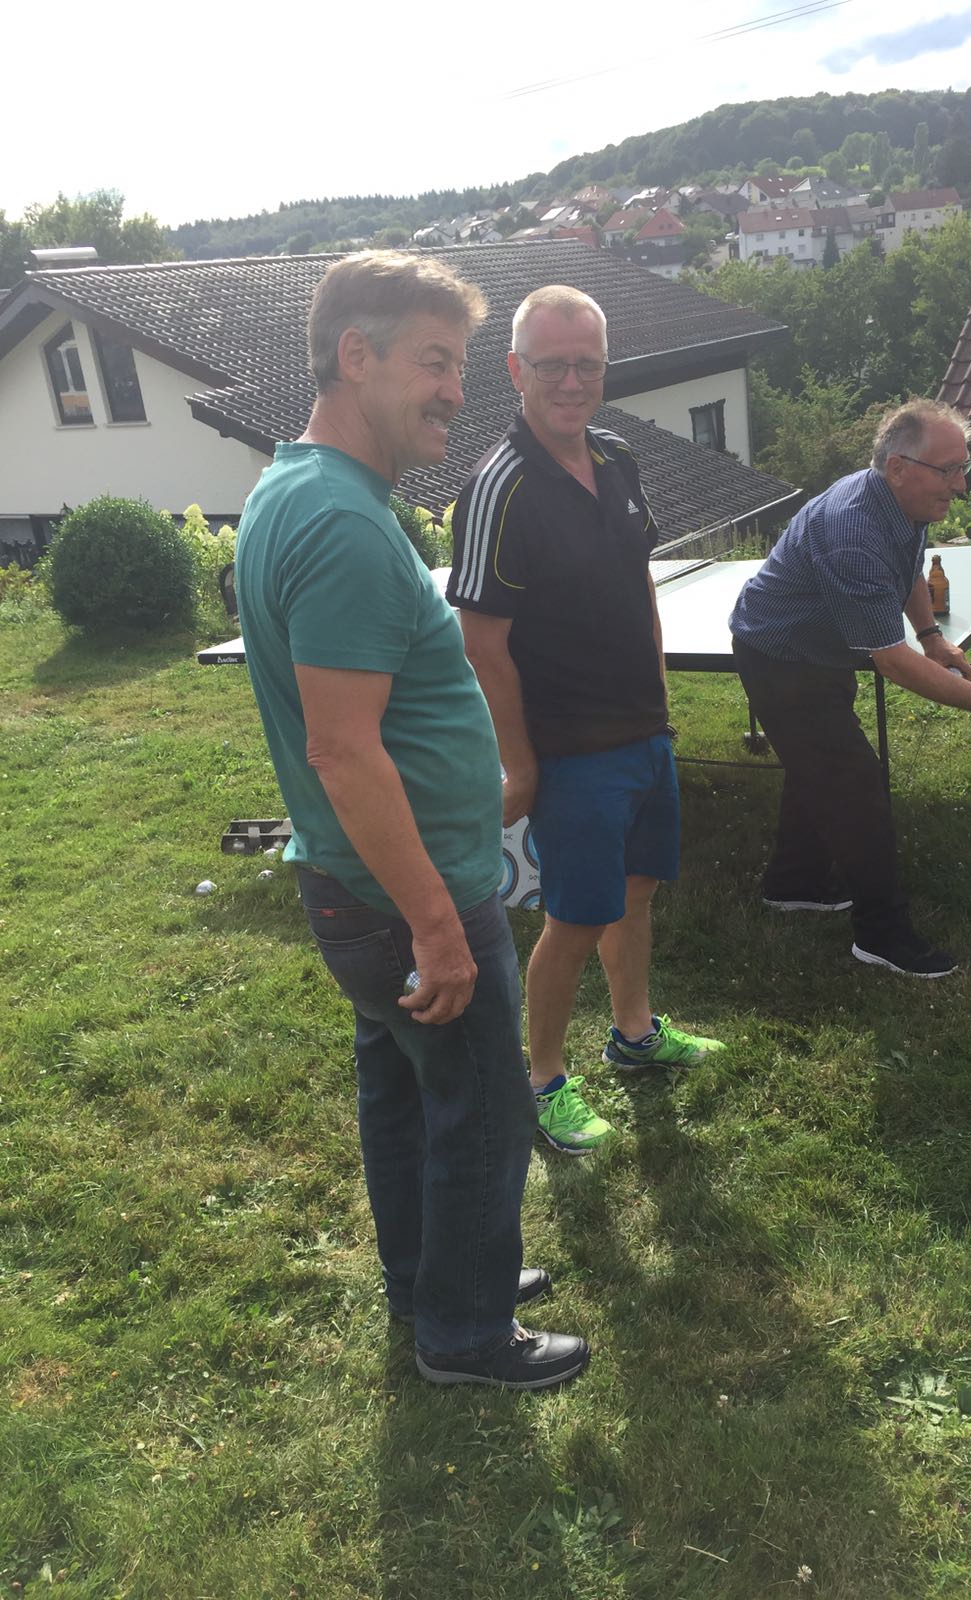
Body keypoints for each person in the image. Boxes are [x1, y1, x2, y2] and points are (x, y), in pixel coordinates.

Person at [235, 252, 587, 1390]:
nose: (454, 390)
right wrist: (438, 924)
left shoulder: (300, 488)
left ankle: (430, 1278)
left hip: (357, 882)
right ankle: (467, 1333)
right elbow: (343, 749)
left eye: (459, 364)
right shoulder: (339, 523)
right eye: (435, 362)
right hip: (405, 890)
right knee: (481, 1107)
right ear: (357, 355)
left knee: (401, 1097)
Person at [447, 285, 723, 1156]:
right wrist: (522, 765)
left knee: (636, 893)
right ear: (515, 369)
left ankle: (634, 1034)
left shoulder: (617, 456)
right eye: (553, 365)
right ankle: (543, 1081)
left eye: (588, 364)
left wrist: (661, 702)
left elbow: (640, 580)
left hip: (643, 732)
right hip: (570, 750)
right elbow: (481, 643)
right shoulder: (497, 488)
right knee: (573, 919)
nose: (572, 382)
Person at [729, 398, 971, 978]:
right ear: (898, 467)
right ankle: (881, 933)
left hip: (819, 649)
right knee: (856, 783)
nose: (961, 485)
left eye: (963, 467)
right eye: (950, 470)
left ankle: (794, 884)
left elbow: (908, 566)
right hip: (779, 655)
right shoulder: (852, 530)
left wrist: (931, 636)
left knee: (823, 766)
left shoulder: (905, 502)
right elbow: (892, 663)